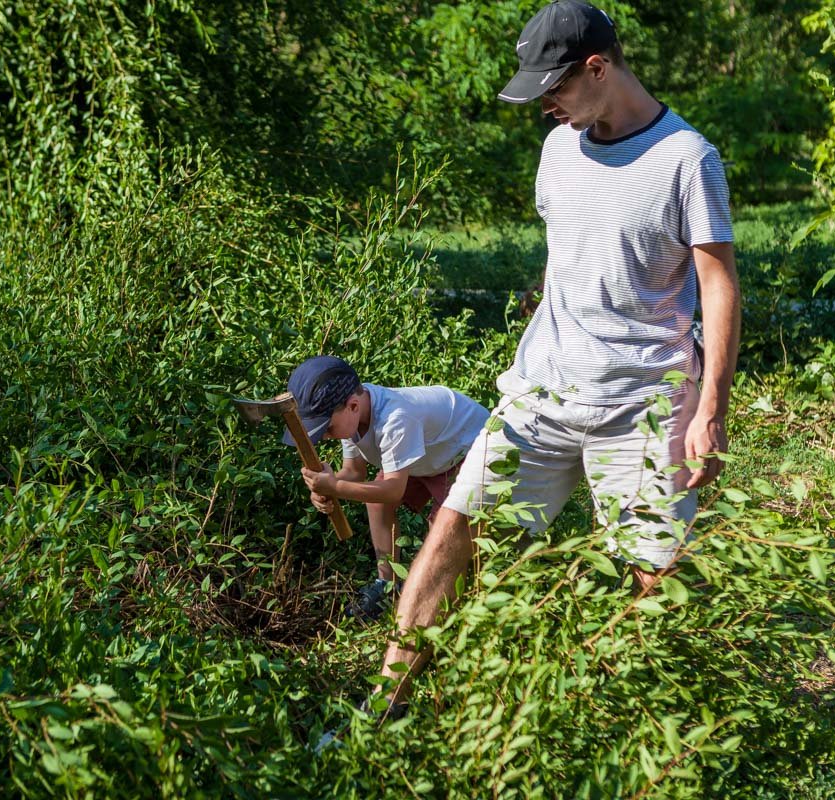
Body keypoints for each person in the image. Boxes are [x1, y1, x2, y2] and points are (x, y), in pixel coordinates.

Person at [375, 0, 741, 710]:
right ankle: (383, 707)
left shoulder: (687, 159)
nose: (546, 106)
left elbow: (718, 284)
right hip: (541, 396)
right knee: (454, 528)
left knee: (655, 575)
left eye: (555, 88)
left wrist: (711, 409)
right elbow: (568, 251)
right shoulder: (558, 150)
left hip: (641, 403)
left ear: (598, 68)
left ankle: (659, 728)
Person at [284, 355, 490, 619]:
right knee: (376, 500)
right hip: (426, 455)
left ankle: (443, 600)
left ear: (353, 405)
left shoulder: (395, 419)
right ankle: (388, 585)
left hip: (467, 452)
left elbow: (393, 490)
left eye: (326, 427)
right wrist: (327, 486)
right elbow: (354, 472)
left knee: (444, 528)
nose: (324, 435)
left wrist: (335, 487)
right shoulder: (352, 416)